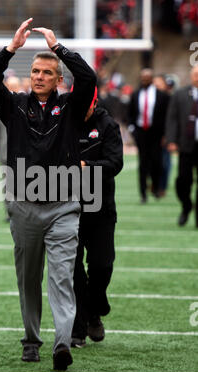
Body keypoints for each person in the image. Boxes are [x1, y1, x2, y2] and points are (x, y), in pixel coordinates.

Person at [0, 18, 96, 370]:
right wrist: (10, 48)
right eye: (35, 71)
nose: (40, 76)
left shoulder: (72, 108)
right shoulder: (13, 106)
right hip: (24, 206)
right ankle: (31, 339)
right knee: (29, 279)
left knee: (61, 278)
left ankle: (62, 344)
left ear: (59, 79)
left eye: (47, 72)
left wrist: (59, 48)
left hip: (63, 207)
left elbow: (88, 78)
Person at [71, 88, 123, 348]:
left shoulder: (107, 125)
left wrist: (86, 167)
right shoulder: (63, 120)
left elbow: (115, 163)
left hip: (101, 207)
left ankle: (96, 306)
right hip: (68, 207)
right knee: (73, 269)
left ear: (94, 102)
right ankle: (79, 326)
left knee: (102, 265)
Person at [128, 69, 170, 203]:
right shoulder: (135, 94)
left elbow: (166, 116)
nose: (144, 80)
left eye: (147, 78)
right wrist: (133, 129)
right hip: (141, 132)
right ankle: (143, 193)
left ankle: (156, 188)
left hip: (156, 132)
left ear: (152, 79)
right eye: (142, 78)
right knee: (143, 163)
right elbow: (130, 114)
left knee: (156, 161)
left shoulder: (161, 96)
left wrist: (165, 134)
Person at [165, 65, 198, 228]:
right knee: (183, 181)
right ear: (191, 76)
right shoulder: (180, 94)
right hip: (186, 145)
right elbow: (172, 119)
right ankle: (186, 206)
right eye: (195, 74)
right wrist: (171, 140)